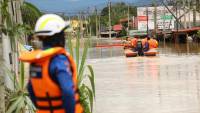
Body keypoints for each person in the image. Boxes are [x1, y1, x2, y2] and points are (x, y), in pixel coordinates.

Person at [19, 14, 83, 113]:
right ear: (58, 36)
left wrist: (46, 108)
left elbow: (30, 89)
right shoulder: (59, 60)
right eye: (63, 34)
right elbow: (68, 91)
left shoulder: (36, 62)